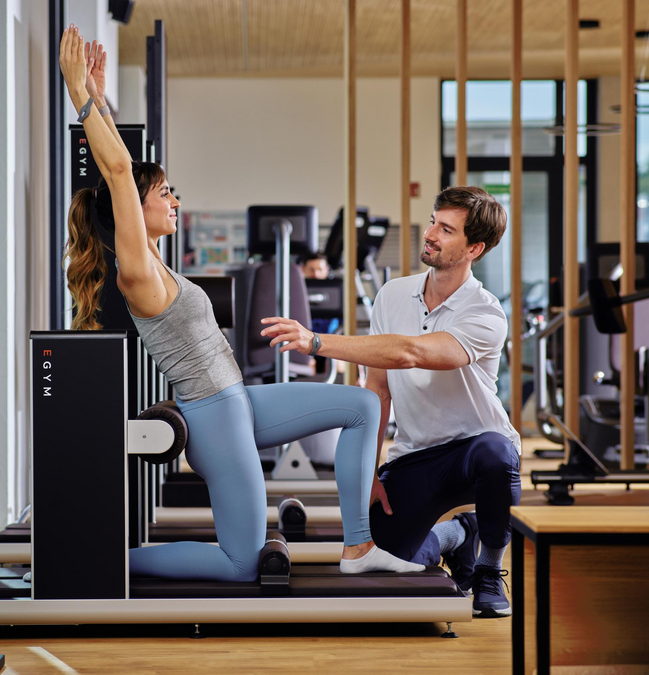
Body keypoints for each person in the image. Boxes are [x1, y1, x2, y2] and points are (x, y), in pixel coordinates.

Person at [58, 26, 425, 582]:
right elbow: (118, 175)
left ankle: (358, 547)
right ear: (133, 209)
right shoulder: (136, 274)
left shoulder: (158, 263)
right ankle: (103, 561)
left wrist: (103, 101)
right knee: (241, 564)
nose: (173, 200)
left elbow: (123, 171)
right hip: (215, 420)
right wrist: (79, 96)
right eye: (163, 194)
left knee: (363, 407)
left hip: (239, 401)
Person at [261, 186, 522, 617]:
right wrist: (372, 471)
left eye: (447, 229)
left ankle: (489, 570)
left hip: (475, 451)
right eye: (434, 221)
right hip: (417, 454)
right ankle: (459, 534)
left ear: (474, 247)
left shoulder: (485, 313)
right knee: (389, 562)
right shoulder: (392, 295)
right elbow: (377, 389)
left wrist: (316, 342)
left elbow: (411, 353)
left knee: (496, 453)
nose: (431, 233)